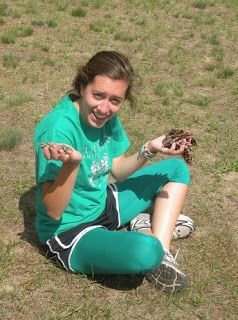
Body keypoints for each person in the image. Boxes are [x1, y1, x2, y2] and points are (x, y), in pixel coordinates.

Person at [34, 51, 196, 293]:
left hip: (104, 204)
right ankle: (148, 234)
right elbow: (53, 210)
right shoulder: (57, 131)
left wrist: (150, 148)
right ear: (81, 86)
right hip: (70, 232)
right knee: (145, 250)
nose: (104, 108)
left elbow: (118, 169)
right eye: (97, 95)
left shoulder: (106, 116)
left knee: (176, 169)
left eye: (115, 100)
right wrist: (71, 165)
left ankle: (161, 253)